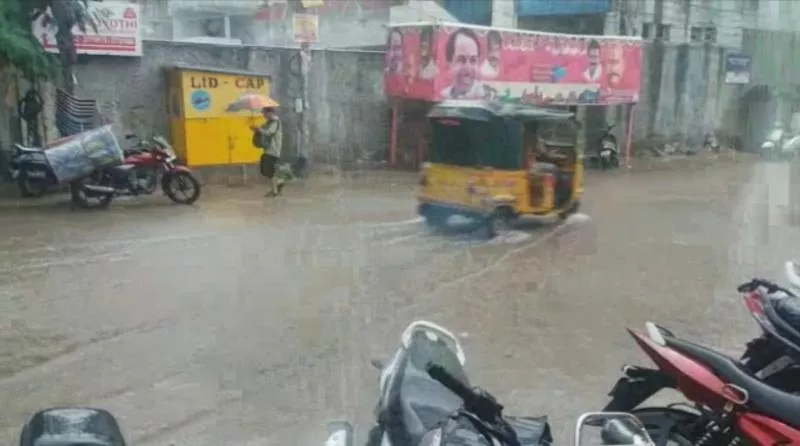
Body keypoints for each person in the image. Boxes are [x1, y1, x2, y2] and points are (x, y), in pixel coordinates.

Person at [440, 28, 484, 99]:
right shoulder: (443, 96)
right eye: (461, 60)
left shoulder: (485, 96)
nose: (468, 70)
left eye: (473, 60)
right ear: (449, 64)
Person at [251, 106, 284, 197]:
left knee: (269, 170)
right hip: (268, 149)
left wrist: (259, 130)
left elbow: (269, 132)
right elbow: (263, 131)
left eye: (265, 113)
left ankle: (275, 189)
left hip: (273, 149)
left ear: (270, 113)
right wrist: (256, 129)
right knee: (265, 170)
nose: (264, 115)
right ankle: (278, 183)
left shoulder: (275, 122)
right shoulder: (268, 122)